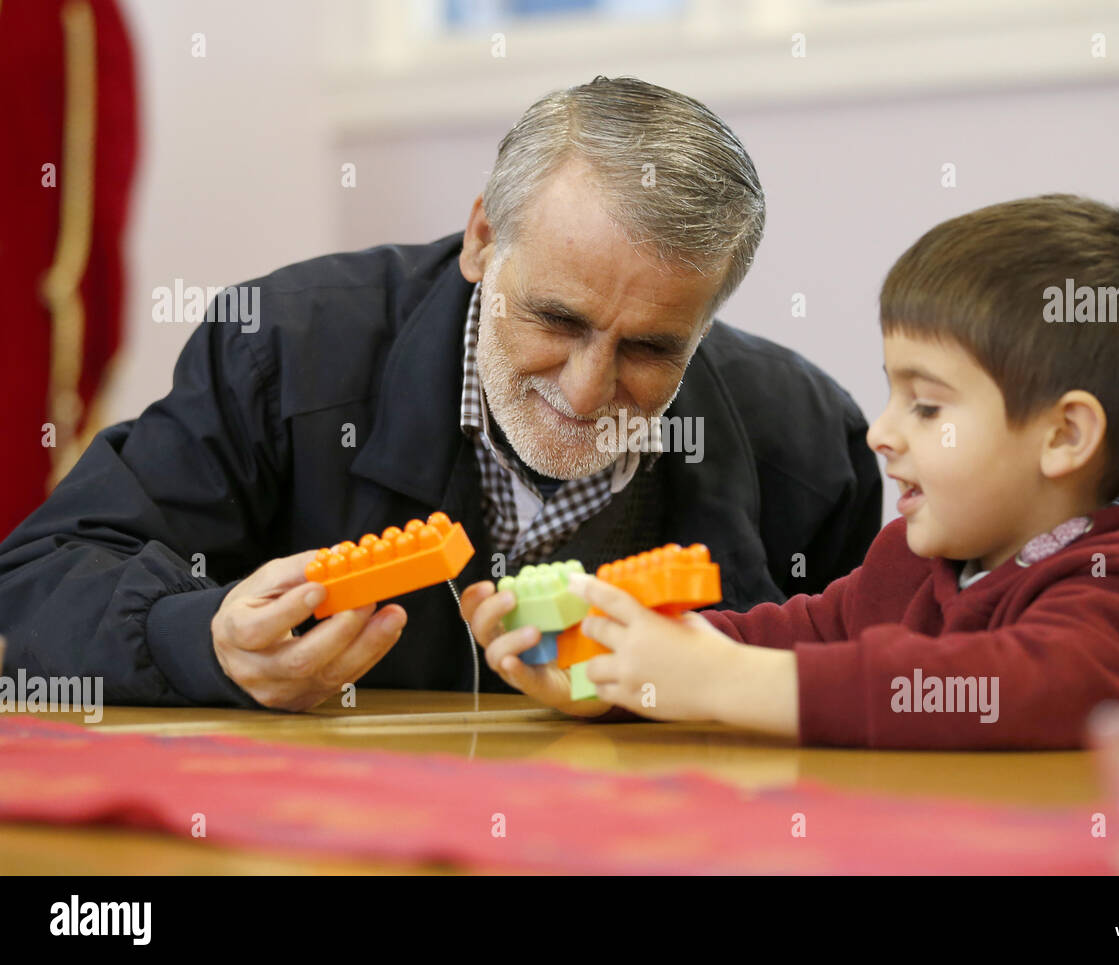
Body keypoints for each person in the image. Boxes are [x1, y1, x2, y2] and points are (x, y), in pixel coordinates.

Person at [0, 76, 881, 712]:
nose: (587, 389)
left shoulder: (808, 444)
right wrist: (203, 642)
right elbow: (42, 574)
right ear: (482, 238)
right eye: (556, 318)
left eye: (651, 347)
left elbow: (864, 689)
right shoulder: (282, 348)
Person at [463, 194, 1119, 748]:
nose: (881, 433)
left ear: (1064, 434)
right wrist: (619, 670)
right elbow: (798, 635)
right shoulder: (918, 559)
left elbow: (1023, 684)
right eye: (891, 392)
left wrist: (723, 684)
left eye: (928, 407)